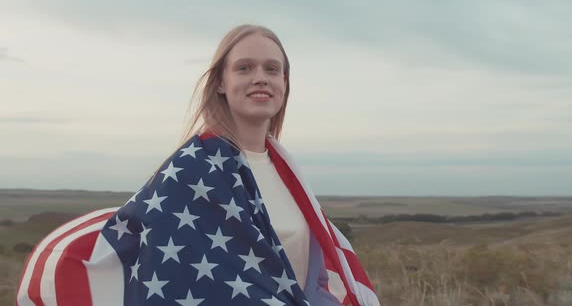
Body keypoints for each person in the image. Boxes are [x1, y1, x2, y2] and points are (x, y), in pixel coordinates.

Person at [16, 24, 380, 305]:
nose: (260, 78)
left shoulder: (291, 177)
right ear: (221, 82)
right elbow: (161, 265)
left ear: (285, 83)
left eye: (273, 69)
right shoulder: (192, 170)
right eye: (244, 67)